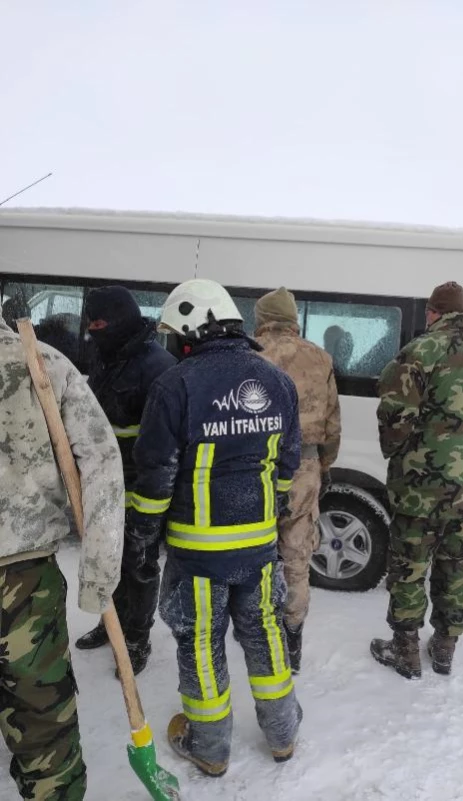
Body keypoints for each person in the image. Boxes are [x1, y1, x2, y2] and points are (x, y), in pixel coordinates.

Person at [127, 279, 303, 777]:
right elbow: (286, 465)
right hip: (259, 547)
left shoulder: (176, 384)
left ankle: (208, 745)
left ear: (192, 328)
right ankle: (283, 734)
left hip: (199, 553)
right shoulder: (275, 382)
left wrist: (141, 536)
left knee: (201, 644)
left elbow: (156, 476)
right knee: (266, 631)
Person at [0, 311, 124, 800]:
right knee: (43, 720)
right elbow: (101, 463)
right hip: (23, 578)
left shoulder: (42, 360)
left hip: (25, 569)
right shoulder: (40, 362)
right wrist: (99, 573)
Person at [371, 281, 463, 678]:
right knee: (455, 566)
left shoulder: (418, 352)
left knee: (409, 566)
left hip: (418, 490)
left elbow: (394, 418)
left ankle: (406, 651)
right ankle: (445, 647)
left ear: (433, 312)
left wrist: (402, 451)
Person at [75, 286, 176, 675]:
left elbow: (162, 444)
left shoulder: (158, 366)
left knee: (140, 564)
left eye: (98, 323)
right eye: (90, 323)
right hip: (105, 485)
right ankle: (111, 623)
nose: (91, 330)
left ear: (118, 319)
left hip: (140, 488)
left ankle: (136, 637)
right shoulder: (106, 357)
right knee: (107, 561)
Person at [254, 287, 341, 672]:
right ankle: (291, 641)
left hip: (251, 468)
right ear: (294, 319)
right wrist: (321, 467)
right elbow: (333, 425)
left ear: (260, 318)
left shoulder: (247, 354)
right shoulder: (320, 358)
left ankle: (252, 630)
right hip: (302, 470)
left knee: (248, 553)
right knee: (295, 556)